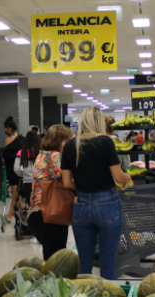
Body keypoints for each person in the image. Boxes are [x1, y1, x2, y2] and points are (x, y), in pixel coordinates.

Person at [61, 107, 131, 280]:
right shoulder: (106, 142)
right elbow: (118, 176)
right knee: (107, 265)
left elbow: (67, 182)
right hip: (107, 203)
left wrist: (81, 191)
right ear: (99, 122)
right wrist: (128, 176)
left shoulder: (71, 145)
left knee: (84, 266)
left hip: (81, 205)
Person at [27, 125, 73, 260]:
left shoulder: (41, 155)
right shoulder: (56, 156)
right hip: (52, 213)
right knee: (57, 262)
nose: (68, 145)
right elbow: (67, 181)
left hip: (35, 213)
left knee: (50, 258)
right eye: (66, 141)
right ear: (58, 141)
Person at [14, 131, 40, 243]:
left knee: (31, 209)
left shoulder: (22, 153)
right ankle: (41, 233)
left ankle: (33, 234)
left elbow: (16, 168)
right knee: (41, 208)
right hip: (40, 183)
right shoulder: (41, 152)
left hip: (28, 184)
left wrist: (24, 175)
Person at [2, 116, 24, 223]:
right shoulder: (22, 139)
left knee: (14, 193)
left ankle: (10, 214)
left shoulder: (8, 140)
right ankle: (17, 212)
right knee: (19, 193)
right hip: (22, 168)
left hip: (11, 169)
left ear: (8, 128)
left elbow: (6, 155)